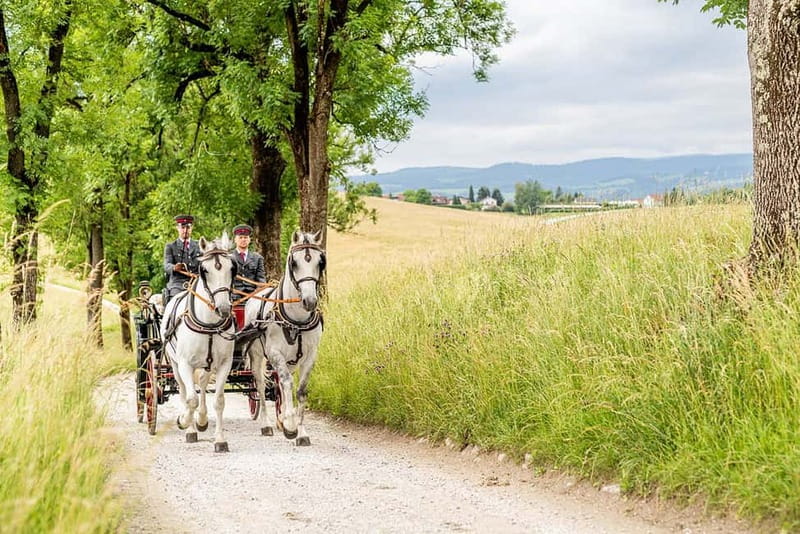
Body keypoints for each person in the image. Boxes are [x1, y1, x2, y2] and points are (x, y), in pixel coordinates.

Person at [163, 214, 200, 305]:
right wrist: (174, 267)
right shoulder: (171, 246)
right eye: (182, 227)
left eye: (188, 227)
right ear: (177, 228)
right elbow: (166, 265)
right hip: (178, 283)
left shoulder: (199, 245)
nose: (185, 230)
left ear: (192, 228)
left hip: (197, 282)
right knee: (174, 303)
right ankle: (171, 319)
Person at [230, 224, 266, 297]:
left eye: (246, 237)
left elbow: (261, 280)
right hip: (233, 295)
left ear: (249, 240)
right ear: (235, 240)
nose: (243, 239)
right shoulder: (228, 257)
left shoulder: (258, 258)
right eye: (240, 237)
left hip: (253, 297)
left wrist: (257, 294)